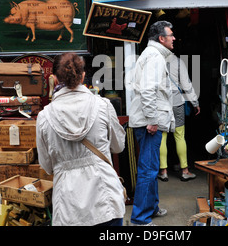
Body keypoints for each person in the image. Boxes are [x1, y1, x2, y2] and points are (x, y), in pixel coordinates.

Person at [36, 52, 126, 226]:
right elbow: (119, 146)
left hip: (68, 207)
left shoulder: (44, 117)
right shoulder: (103, 105)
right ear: (83, 76)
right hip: (106, 200)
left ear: (54, 79)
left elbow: (46, 166)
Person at [128, 20, 176, 226]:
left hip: (148, 119)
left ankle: (152, 207)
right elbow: (148, 90)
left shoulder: (152, 55)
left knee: (152, 167)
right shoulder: (155, 57)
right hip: (149, 122)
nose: (174, 38)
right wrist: (152, 120)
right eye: (171, 35)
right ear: (161, 39)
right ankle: (140, 219)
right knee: (148, 170)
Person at [159, 53, 200, 182]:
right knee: (180, 135)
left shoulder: (155, 61)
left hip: (161, 103)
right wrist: (195, 102)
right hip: (177, 102)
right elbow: (186, 84)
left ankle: (163, 171)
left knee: (162, 137)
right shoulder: (177, 62)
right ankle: (185, 171)